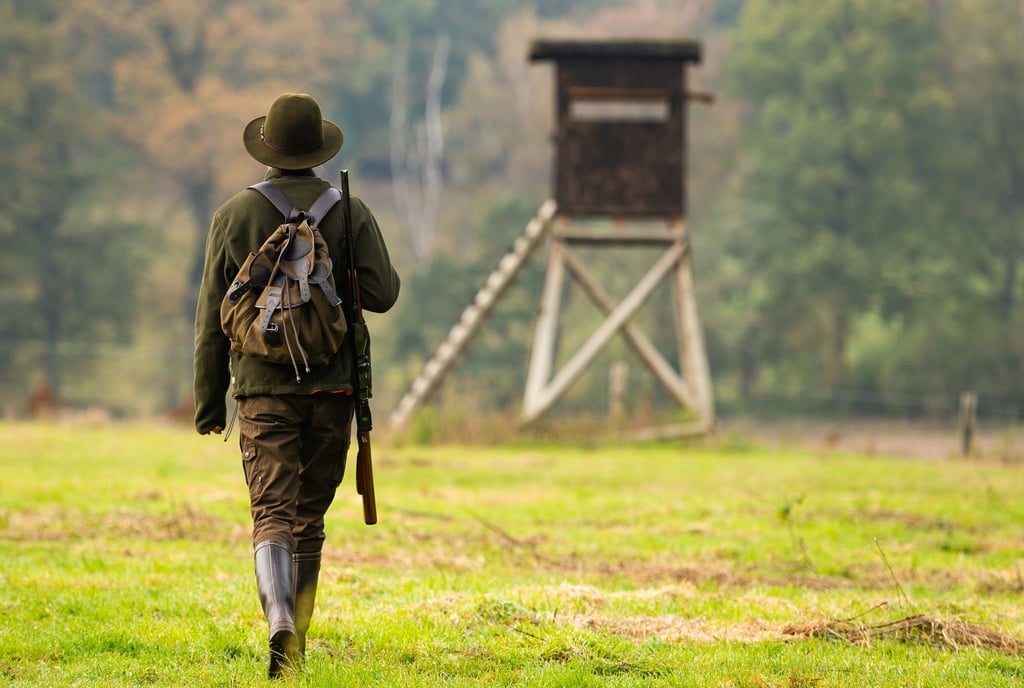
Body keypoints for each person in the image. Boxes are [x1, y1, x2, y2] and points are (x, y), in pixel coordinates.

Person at [193, 92, 401, 678]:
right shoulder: (350, 211)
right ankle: (298, 640)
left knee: (272, 512)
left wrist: (210, 403)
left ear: (267, 148)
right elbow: (384, 295)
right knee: (309, 515)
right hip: (333, 390)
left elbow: (212, 316)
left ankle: (278, 619)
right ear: (319, 149)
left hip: (261, 391)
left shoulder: (233, 215)